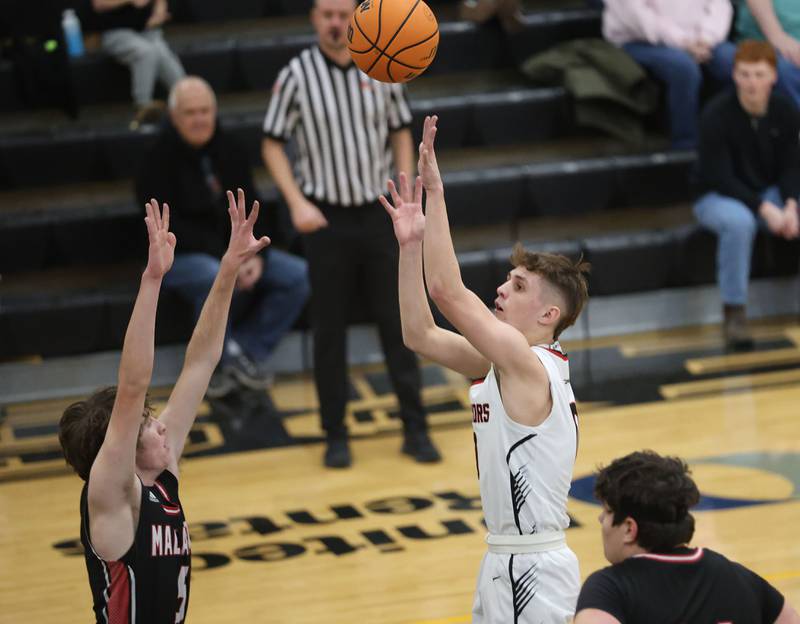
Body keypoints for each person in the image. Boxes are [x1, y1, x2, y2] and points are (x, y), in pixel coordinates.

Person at [380, 115, 590, 623]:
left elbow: (448, 293)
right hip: (504, 559)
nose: (500, 289)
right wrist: (410, 248)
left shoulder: (527, 365)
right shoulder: (507, 365)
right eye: (507, 279)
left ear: (548, 315)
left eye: (517, 286)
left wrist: (435, 193)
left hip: (531, 568)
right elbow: (419, 335)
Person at [58, 190, 270, 623]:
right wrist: (152, 279)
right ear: (122, 451)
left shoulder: (158, 472)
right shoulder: (113, 493)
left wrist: (228, 268)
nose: (162, 429)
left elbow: (200, 363)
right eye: (148, 426)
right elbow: (133, 385)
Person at [261, 0, 439, 468]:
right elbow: (271, 142)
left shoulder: (383, 62)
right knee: (329, 332)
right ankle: (335, 433)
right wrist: (296, 201)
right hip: (327, 218)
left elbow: (402, 130)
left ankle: (415, 427)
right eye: (327, 14)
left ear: (356, 19)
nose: (336, 22)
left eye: (344, 14)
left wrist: (404, 190)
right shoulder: (296, 74)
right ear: (314, 19)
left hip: (380, 213)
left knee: (400, 324)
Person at [137, 76, 309, 397]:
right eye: (191, 113)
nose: (200, 119)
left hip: (236, 253)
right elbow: (169, 228)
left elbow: (253, 209)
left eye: (205, 111)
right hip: (181, 256)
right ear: (174, 117)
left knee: (298, 276)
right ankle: (209, 366)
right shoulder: (155, 159)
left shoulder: (231, 148)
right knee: (213, 275)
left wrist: (256, 255)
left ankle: (244, 352)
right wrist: (230, 261)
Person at [574, 450, 800, 623]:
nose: (601, 520)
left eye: (608, 511)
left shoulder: (609, 589)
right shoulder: (736, 576)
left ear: (629, 529)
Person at [693, 40, 800, 350]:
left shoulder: (785, 109)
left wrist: (791, 205)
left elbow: (792, 166)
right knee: (740, 223)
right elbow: (721, 177)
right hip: (716, 195)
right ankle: (734, 313)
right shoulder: (716, 114)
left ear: (773, 77)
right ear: (734, 76)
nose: (752, 83)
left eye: (759, 74)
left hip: (770, 193)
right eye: (745, 74)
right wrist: (766, 209)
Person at [602, 0, 734, 148]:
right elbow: (637, 16)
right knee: (684, 68)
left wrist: (707, 38)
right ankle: (685, 146)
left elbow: (721, 5)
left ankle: (724, 137)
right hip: (639, 39)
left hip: (701, 39)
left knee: (732, 61)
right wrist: (683, 41)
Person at [89, 0, 185, 129]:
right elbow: (99, 4)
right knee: (146, 53)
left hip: (148, 31)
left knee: (177, 76)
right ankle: (143, 111)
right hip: (116, 32)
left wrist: (159, 13)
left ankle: (188, 106)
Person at [714, 0, 800, 108]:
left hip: (793, 55)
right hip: (750, 44)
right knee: (724, 58)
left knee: (785, 70)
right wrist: (777, 36)